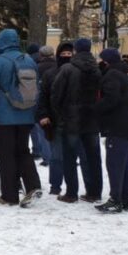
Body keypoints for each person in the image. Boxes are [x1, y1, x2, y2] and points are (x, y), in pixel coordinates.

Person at [0, 29, 43, 207]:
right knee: (23, 150)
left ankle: (9, 195)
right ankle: (33, 186)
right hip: (27, 114)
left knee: (6, 154)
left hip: (5, 116)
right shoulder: (29, 60)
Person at [51, 38, 102, 203]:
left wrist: (62, 112)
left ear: (76, 51)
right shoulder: (97, 70)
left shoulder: (68, 69)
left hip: (72, 119)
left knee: (69, 157)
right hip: (92, 119)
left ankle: (71, 193)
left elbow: (56, 94)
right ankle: (94, 192)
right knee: (93, 157)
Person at [96, 48, 128, 213]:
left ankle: (116, 200)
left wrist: (94, 108)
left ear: (106, 61)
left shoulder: (112, 75)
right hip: (126, 125)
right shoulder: (122, 73)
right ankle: (125, 199)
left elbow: (111, 99)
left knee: (114, 164)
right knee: (123, 165)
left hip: (117, 125)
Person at [37, 42, 74, 195]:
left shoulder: (76, 72)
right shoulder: (50, 73)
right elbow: (43, 96)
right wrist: (44, 114)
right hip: (55, 119)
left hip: (74, 120)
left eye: (69, 54)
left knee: (72, 155)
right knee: (56, 156)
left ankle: (72, 187)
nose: (66, 57)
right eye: (63, 54)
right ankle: (55, 185)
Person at [29, 46, 57, 166]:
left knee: (42, 130)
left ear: (41, 55)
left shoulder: (36, 68)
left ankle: (47, 157)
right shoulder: (59, 67)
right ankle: (58, 155)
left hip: (40, 102)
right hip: (56, 103)